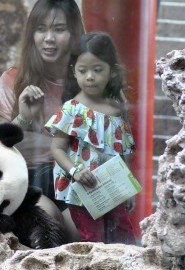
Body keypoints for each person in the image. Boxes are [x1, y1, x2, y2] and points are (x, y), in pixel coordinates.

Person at [0, 0, 84, 242]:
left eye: (59, 29)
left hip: (76, 180)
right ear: (32, 35)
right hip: (26, 180)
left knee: (79, 230)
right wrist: (23, 119)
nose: (48, 38)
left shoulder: (87, 81)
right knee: (49, 222)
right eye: (41, 29)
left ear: (74, 34)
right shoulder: (12, 81)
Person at [45, 32, 136, 244]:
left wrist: (129, 188)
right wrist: (75, 171)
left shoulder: (117, 110)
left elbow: (126, 150)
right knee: (92, 240)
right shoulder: (72, 109)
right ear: (73, 72)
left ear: (112, 72)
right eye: (83, 70)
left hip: (113, 187)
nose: (90, 77)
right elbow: (56, 148)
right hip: (84, 190)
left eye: (97, 70)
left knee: (124, 237)